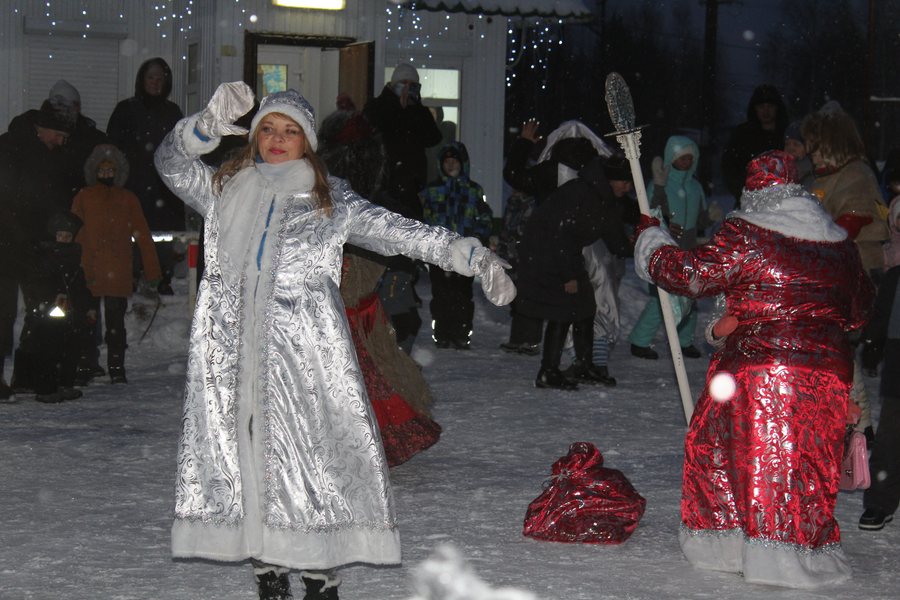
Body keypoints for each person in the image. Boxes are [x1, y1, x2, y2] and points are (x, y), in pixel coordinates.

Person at [154, 83, 513, 600]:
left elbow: (398, 232)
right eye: (268, 129)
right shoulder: (225, 186)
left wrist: (470, 256)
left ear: (307, 142)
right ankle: (267, 570)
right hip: (230, 357)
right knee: (244, 456)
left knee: (310, 459)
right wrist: (205, 127)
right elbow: (170, 163)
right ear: (254, 136)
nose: (277, 140)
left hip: (303, 356)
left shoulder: (330, 198)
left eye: (290, 131)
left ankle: (320, 573)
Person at [633, 150, 874, 588]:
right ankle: (804, 550)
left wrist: (653, 241)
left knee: (733, 453)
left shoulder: (748, 233)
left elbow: (691, 274)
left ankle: (734, 544)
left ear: (752, 192)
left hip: (762, 368)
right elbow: (859, 311)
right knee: (804, 461)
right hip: (827, 370)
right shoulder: (839, 244)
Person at [318, 103, 441, 466]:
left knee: (365, 378)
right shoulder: (334, 200)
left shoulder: (361, 203)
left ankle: (351, 442)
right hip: (339, 310)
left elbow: (403, 237)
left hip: (358, 309)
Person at [516, 154, 634, 390]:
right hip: (544, 251)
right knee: (563, 309)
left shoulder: (607, 200)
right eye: (623, 181)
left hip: (566, 253)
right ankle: (547, 372)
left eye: (630, 183)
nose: (627, 187)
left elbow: (615, 241)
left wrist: (638, 246)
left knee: (585, 306)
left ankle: (583, 366)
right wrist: (568, 275)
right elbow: (560, 233)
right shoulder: (581, 192)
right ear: (609, 179)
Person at [501, 120, 612, 356]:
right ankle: (588, 357)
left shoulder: (548, 171)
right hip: (589, 247)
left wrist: (523, 144)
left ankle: (555, 359)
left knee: (558, 302)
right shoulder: (596, 173)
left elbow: (513, 174)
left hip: (552, 245)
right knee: (590, 302)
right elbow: (615, 205)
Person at [0, 95, 77, 400]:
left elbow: (55, 197)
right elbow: (4, 203)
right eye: (58, 135)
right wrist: (22, 238)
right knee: (3, 313)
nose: (61, 142)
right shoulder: (9, 147)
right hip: (6, 244)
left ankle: (31, 376)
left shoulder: (51, 154)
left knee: (45, 310)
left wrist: (62, 225)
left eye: (65, 137)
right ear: (42, 127)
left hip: (37, 244)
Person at [71, 144, 162, 385]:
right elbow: (74, 234)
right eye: (101, 171)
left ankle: (116, 367)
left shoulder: (127, 199)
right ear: (94, 172)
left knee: (115, 325)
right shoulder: (84, 197)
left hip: (118, 272)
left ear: (119, 172)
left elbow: (143, 235)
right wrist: (74, 268)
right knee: (87, 323)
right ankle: (87, 364)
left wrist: (153, 270)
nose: (106, 175)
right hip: (88, 270)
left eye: (111, 171)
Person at [628, 136, 721, 360]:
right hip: (663, 246)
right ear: (672, 157)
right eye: (682, 157)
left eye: (691, 158)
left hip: (688, 248)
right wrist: (660, 190)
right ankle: (639, 341)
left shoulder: (695, 186)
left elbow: (697, 221)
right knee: (661, 298)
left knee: (690, 295)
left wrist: (709, 218)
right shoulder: (661, 182)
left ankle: (683, 341)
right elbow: (648, 213)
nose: (686, 162)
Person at [107, 57, 184, 295]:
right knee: (130, 233)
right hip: (132, 184)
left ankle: (161, 278)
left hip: (164, 186)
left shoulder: (172, 112)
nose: (155, 83)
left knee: (162, 234)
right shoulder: (125, 109)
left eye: (160, 79)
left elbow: (182, 148)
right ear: (142, 80)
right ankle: (129, 275)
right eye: (151, 77)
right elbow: (111, 148)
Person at [802, 104, 891, 281]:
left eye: (813, 143)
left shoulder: (856, 175)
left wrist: (813, 252)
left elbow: (848, 226)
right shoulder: (821, 178)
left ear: (833, 142)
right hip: (831, 267)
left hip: (857, 267)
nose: (807, 149)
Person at [11, 212, 93, 403]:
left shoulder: (74, 258)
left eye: (67, 236)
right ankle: (46, 389)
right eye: (60, 236)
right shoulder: (44, 257)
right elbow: (36, 284)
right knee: (48, 350)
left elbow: (79, 285)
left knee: (71, 348)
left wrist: (87, 305)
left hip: (70, 313)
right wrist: (49, 300)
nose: (63, 240)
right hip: (49, 312)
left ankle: (65, 384)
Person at [421, 142, 493, 349]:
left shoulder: (473, 190)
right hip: (440, 252)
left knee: (462, 295)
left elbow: (485, 216)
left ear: (463, 164)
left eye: (455, 161)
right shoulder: (432, 190)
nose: (451, 165)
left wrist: (478, 236)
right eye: (446, 161)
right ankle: (442, 333)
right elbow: (425, 220)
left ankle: (462, 334)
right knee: (442, 295)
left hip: (465, 253)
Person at [362, 63, 442, 221]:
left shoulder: (418, 112)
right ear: (393, 84)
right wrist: (399, 110)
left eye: (412, 85)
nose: (407, 88)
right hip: (383, 187)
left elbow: (433, 138)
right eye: (403, 83)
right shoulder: (377, 107)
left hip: (411, 189)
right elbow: (378, 134)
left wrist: (415, 107)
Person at [858, 260, 900, 531]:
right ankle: (880, 501)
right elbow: (882, 313)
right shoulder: (896, 276)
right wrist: (872, 344)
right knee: (891, 435)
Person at [721, 84, 789, 208]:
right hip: (749, 202)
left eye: (770, 106)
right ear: (755, 109)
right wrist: (744, 192)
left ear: (777, 108)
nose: (766, 111)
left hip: (783, 203)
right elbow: (729, 167)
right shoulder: (742, 134)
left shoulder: (788, 134)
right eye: (761, 107)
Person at [46, 80, 109, 197]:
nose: (74, 109)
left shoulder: (96, 139)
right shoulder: (47, 138)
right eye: (69, 105)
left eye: (76, 105)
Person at [496, 188, 538, 354]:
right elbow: (505, 232)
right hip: (512, 259)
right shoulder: (512, 205)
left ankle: (531, 340)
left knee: (530, 300)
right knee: (516, 299)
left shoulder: (535, 205)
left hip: (530, 260)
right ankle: (517, 338)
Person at [783, 120, 815, 190]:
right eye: (787, 144)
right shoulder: (780, 167)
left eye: (796, 144)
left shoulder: (809, 174)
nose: (791, 149)